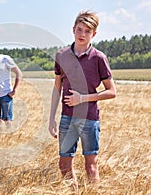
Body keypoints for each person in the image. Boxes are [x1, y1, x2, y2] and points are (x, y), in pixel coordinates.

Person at [48, 11, 116, 189]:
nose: (82, 34)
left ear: (94, 34)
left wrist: (82, 98)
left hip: (90, 119)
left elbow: (112, 91)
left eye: (87, 31)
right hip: (66, 118)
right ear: (73, 30)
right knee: (64, 165)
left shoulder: (99, 58)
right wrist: (51, 118)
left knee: (91, 167)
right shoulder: (61, 55)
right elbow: (57, 88)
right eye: (79, 29)